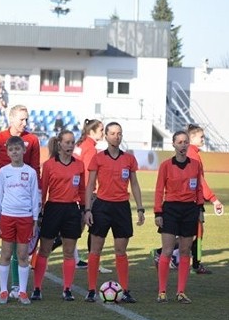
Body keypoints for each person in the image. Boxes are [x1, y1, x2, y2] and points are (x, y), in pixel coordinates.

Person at [0, 104, 39, 299]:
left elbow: (36, 168)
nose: (25, 122)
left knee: (16, 245)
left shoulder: (32, 140)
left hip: (22, 199)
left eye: (26, 119)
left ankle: (16, 286)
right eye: (21, 119)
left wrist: (39, 198)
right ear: (11, 119)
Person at [83, 122, 145, 303]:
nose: (116, 136)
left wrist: (140, 208)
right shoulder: (98, 158)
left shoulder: (129, 159)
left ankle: (125, 290)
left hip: (122, 208)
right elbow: (89, 185)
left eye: (119, 133)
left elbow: (134, 184)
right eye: (112, 133)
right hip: (101, 207)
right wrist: (88, 209)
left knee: (121, 251)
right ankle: (91, 290)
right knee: (96, 249)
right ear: (106, 136)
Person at [31, 130, 86, 302]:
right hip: (53, 209)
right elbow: (43, 190)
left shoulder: (79, 165)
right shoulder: (48, 165)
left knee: (69, 252)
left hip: (72, 210)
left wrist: (84, 210)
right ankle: (37, 288)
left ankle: (67, 289)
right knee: (45, 250)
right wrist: (39, 212)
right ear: (60, 144)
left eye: (72, 142)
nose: (71, 145)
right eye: (67, 142)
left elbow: (83, 190)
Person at [154, 131, 205, 303]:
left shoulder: (196, 165)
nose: (183, 145)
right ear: (173, 144)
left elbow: (199, 189)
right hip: (170, 210)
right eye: (180, 142)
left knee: (185, 251)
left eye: (186, 142)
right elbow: (159, 190)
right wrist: (158, 212)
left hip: (190, 210)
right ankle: (162, 291)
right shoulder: (166, 166)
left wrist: (200, 210)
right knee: (167, 250)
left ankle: (181, 292)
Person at [0, 136, 41, 305]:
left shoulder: (31, 172)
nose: (15, 152)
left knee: (22, 255)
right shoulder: (4, 172)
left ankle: (22, 291)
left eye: (17, 149)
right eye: (11, 150)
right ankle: (3, 291)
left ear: (24, 150)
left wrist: (35, 219)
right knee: (5, 254)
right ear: (7, 152)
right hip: (7, 216)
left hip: (25, 218)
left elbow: (35, 196)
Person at [178, 124, 223, 274]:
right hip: (192, 200)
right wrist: (214, 199)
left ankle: (194, 263)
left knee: (195, 232)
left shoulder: (193, 153)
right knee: (193, 232)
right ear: (191, 138)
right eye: (201, 137)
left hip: (194, 199)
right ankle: (195, 265)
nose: (203, 139)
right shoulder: (192, 154)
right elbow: (199, 181)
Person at [73, 119, 110, 273]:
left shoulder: (82, 145)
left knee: (73, 230)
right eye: (101, 130)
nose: (103, 133)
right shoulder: (90, 149)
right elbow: (88, 174)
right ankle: (94, 262)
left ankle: (78, 260)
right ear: (92, 132)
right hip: (85, 194)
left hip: (76, 192)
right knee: (92, 227)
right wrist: (90, 193)